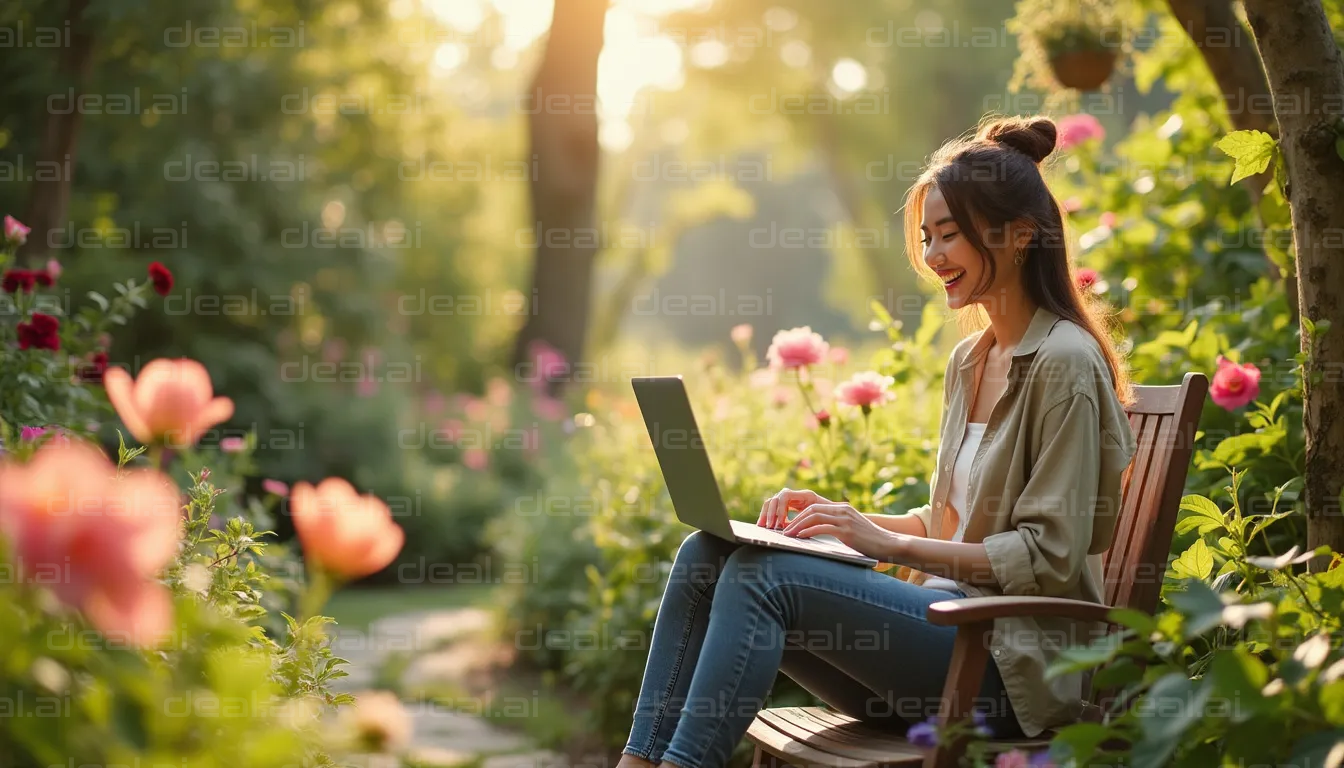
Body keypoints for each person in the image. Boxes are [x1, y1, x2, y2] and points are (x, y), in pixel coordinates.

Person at [617, 115, 1138, 768]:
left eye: (950, 235)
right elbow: (950, 520)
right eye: (928, 237)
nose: (934, 255)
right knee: (707, 554)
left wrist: (886, 544)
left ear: (1021, 234)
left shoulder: (1063, 361)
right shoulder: (972, 360)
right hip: (941, 650)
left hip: (1010, 671)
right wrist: (843, 523)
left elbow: (1052, 555)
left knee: (762, 580)